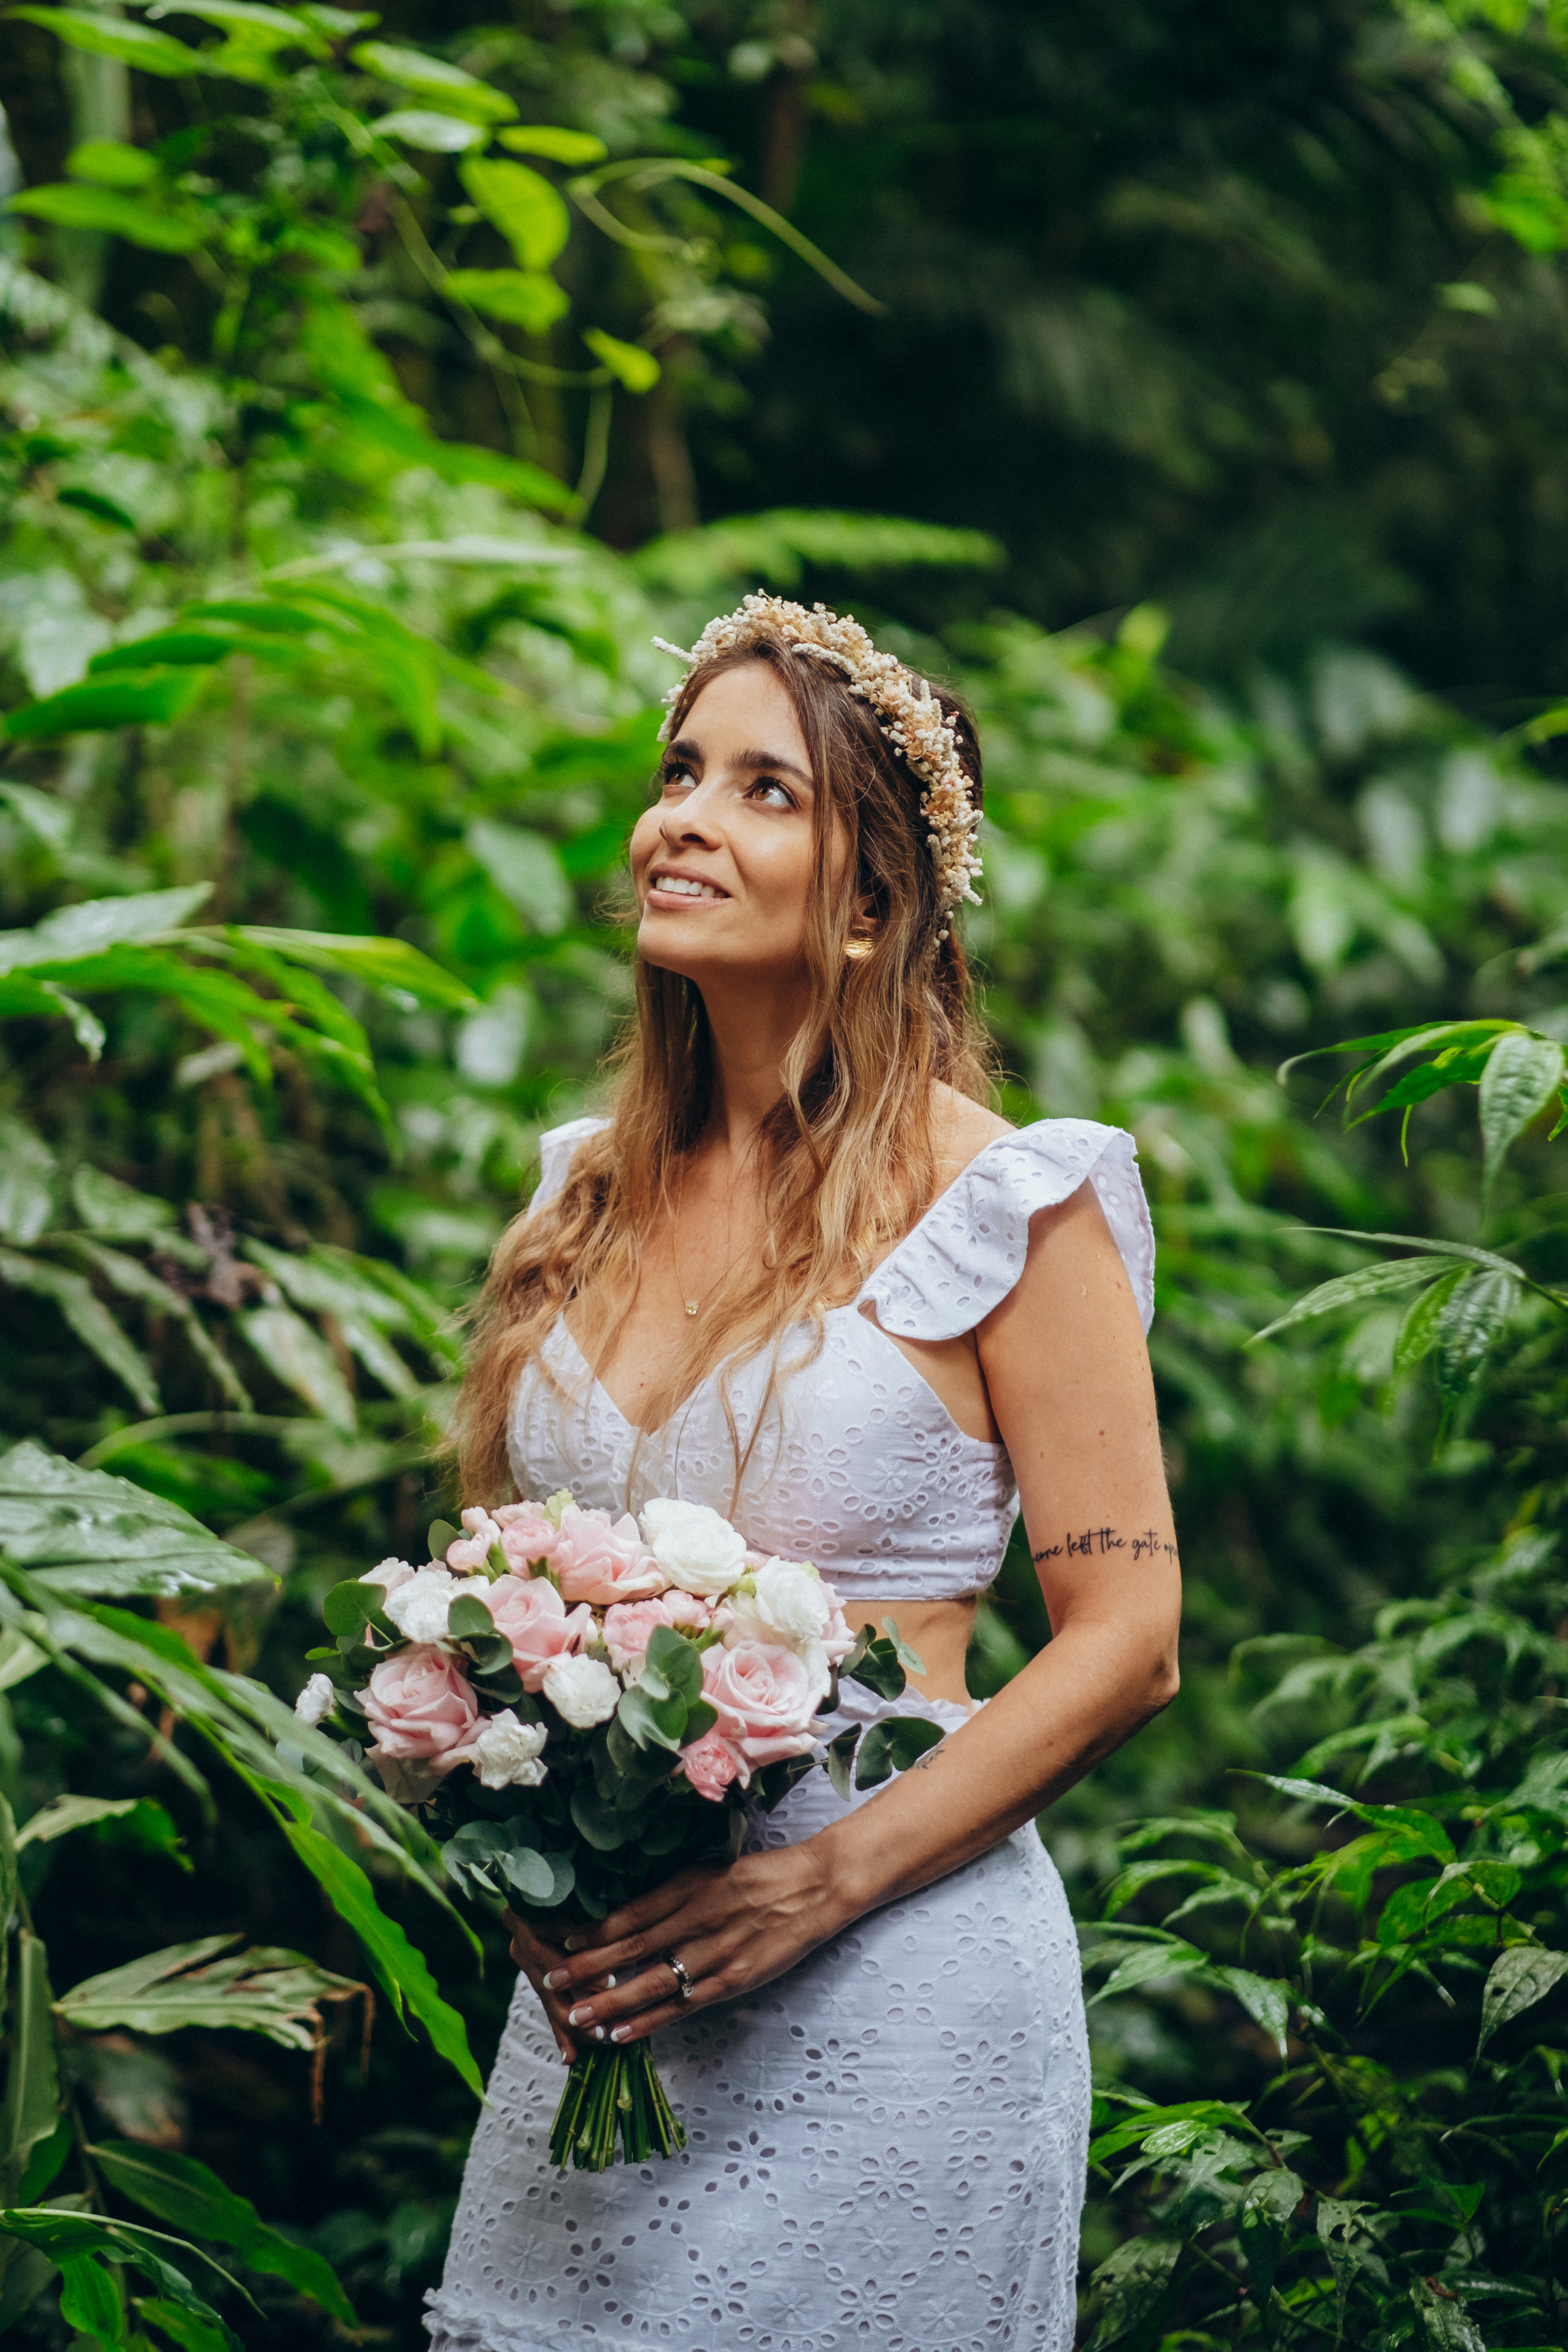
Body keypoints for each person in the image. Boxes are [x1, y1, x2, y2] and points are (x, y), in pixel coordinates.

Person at [426, 595, 1182, 2352]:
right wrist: (522, 1849)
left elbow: (1128, 1635)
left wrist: (815, 1886)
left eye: (763, 789)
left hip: (889, 1977)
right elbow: (497, 1604)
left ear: (868, 904)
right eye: (680, 771)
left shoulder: (1010, 1205)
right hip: (604, 1994)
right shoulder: (576, 1196)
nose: (681, 816)